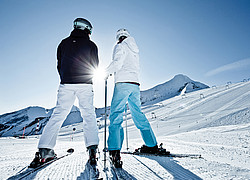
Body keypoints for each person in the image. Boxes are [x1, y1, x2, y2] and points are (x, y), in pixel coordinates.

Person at [30, 18, 99, 168]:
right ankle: (92, 149)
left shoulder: (63, 43)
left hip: (66, 83)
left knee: (58, 114)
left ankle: (44, 150)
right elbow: (95, 64)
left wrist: (65, 77)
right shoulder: (91, 45)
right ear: (88, 30)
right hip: (85, 83)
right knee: (88, 114)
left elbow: (59, 64)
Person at [105, 29, 160, 168]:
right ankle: (151, 145)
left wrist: (106, 72)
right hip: (135, 85)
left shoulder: (120, 46)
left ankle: (114, 150)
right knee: (137, 114)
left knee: (116, 114)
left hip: (122, 83)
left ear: (118, 37)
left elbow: (117, 63)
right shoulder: (134, 49)